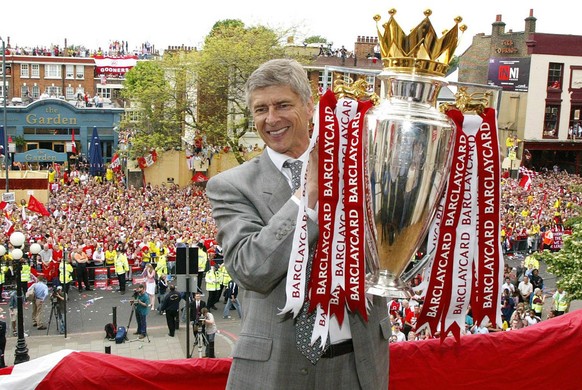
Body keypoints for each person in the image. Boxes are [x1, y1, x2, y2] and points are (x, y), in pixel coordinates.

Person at [207, 58, 390, 389]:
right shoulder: (230, 185)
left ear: (309, 106)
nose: (271, 119)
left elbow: (391, 251)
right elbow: (250, 269)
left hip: (358, 362)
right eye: (261, 109)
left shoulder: (360, 169)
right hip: (275, 368)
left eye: (282, 105)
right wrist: (307, 197)